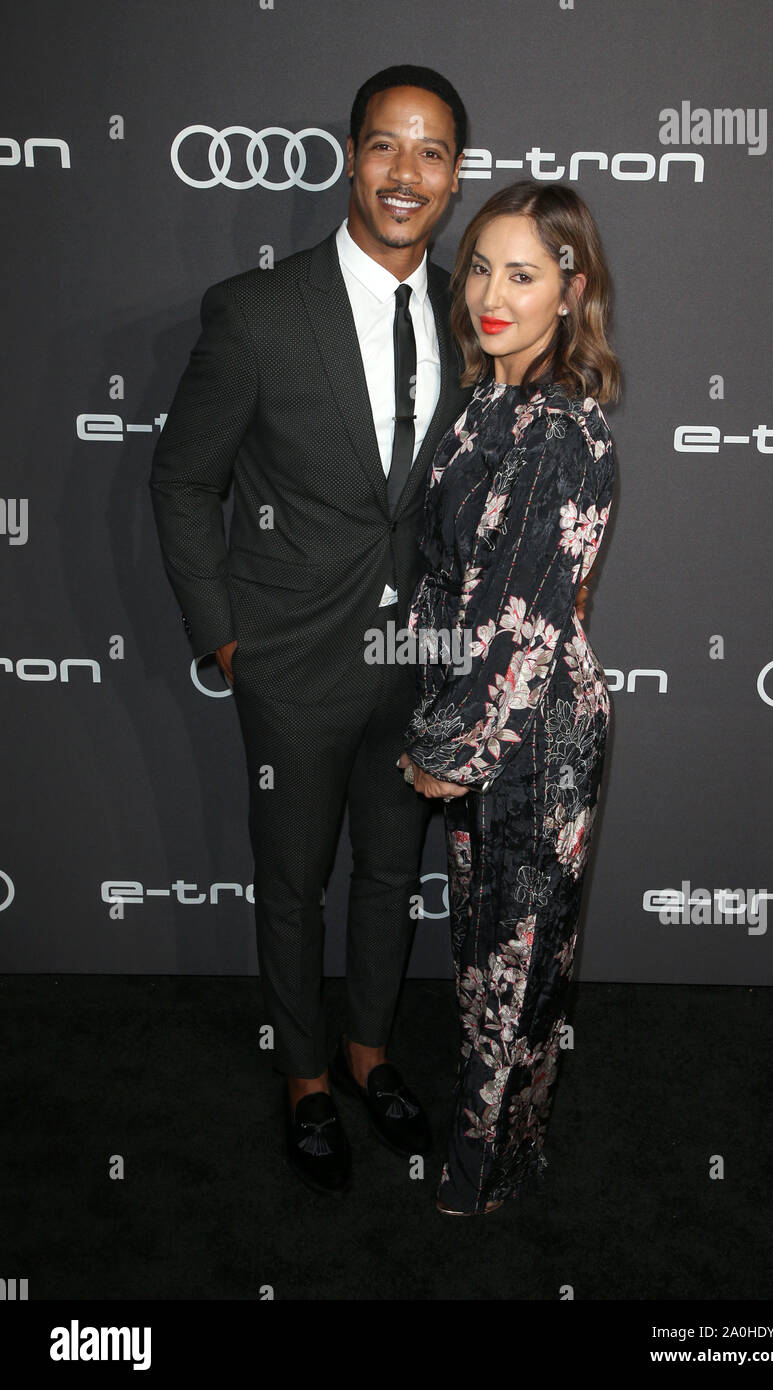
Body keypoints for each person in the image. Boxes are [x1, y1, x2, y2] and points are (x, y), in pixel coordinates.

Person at [149, 65, 477, 1196]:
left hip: (414, 658)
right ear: (351, 158)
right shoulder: (255, 312)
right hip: (291, 660)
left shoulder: (464, 313)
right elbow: (183, 482)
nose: (405, 172)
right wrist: (230, 642)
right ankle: (300, 1075)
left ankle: (369, 1050)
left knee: (391, 869)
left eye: (430, 152)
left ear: (453, 177)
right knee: (293, 882)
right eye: (386, 146)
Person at [398, 180, 621, 1215]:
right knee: (488, 954)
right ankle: (498, 1142)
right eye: (480, 265)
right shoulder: (488, 399)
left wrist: (449, 742)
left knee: (516, 958)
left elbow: (521, 618)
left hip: (530, 730)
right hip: (488, 708)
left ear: (569, 292)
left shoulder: (558, 428)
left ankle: (487, 1171)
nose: (490, 292)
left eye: (522, 273)